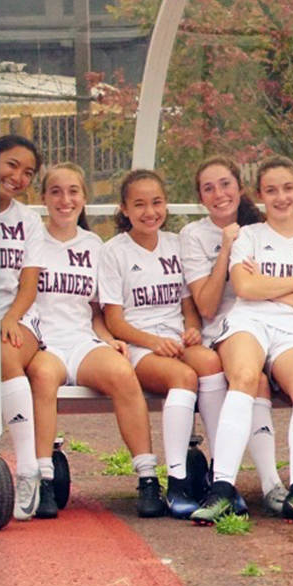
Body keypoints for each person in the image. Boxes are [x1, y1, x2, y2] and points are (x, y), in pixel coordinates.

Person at [191, 155, 293, 526]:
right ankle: (222, 490)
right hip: (249, 320)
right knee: (246, 377)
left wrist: (270, 289)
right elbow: (246, 288)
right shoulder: (248, 235)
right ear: (260, 196)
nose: (280, 197)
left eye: (287, 188)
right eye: (271, 191)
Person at [24, 163, 168, 517]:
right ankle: (42, 479)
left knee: (121, 372)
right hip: (44, 342)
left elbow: (96, 310)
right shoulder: (32, 241)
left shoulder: (94, 245)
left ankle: (148, 479)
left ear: (84, 198)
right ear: (43, 198)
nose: (65, 199)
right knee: (43, 377)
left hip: (81, 339)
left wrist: (107, 339)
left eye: (73, 191)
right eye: (55, 191)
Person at [99, 169, 226, 517]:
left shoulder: (175, 243)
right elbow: (115, 321)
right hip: (140, 345)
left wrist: (192, 328)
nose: (149, 212)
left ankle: (221, 474)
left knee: (212, 365)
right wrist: (153, 342)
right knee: (183, 378)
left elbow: (187, 304)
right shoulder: (114, 252)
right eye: (139, 204)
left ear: (166, 204)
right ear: (124, 209)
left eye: (156, 202)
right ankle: (178, 482)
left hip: (175, 340)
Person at [179, 157, 287, 515]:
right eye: (208, 188)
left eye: (225, 184)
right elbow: (207, 306)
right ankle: (269, 484)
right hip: (226, 329)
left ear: (240, 188)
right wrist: (227, 249)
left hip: (274, 322)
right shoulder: (194, 235)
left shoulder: (264, 226)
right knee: (252, 379)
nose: (219, 194)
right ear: (200, 197)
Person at [0, 135, 58, 519]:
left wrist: (8, 318)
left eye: (28, 172)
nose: (18, 176)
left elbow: (28, 285)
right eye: (11, 165)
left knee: (3, 352)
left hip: (14, 314)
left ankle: (29, 469)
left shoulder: (28, 220)